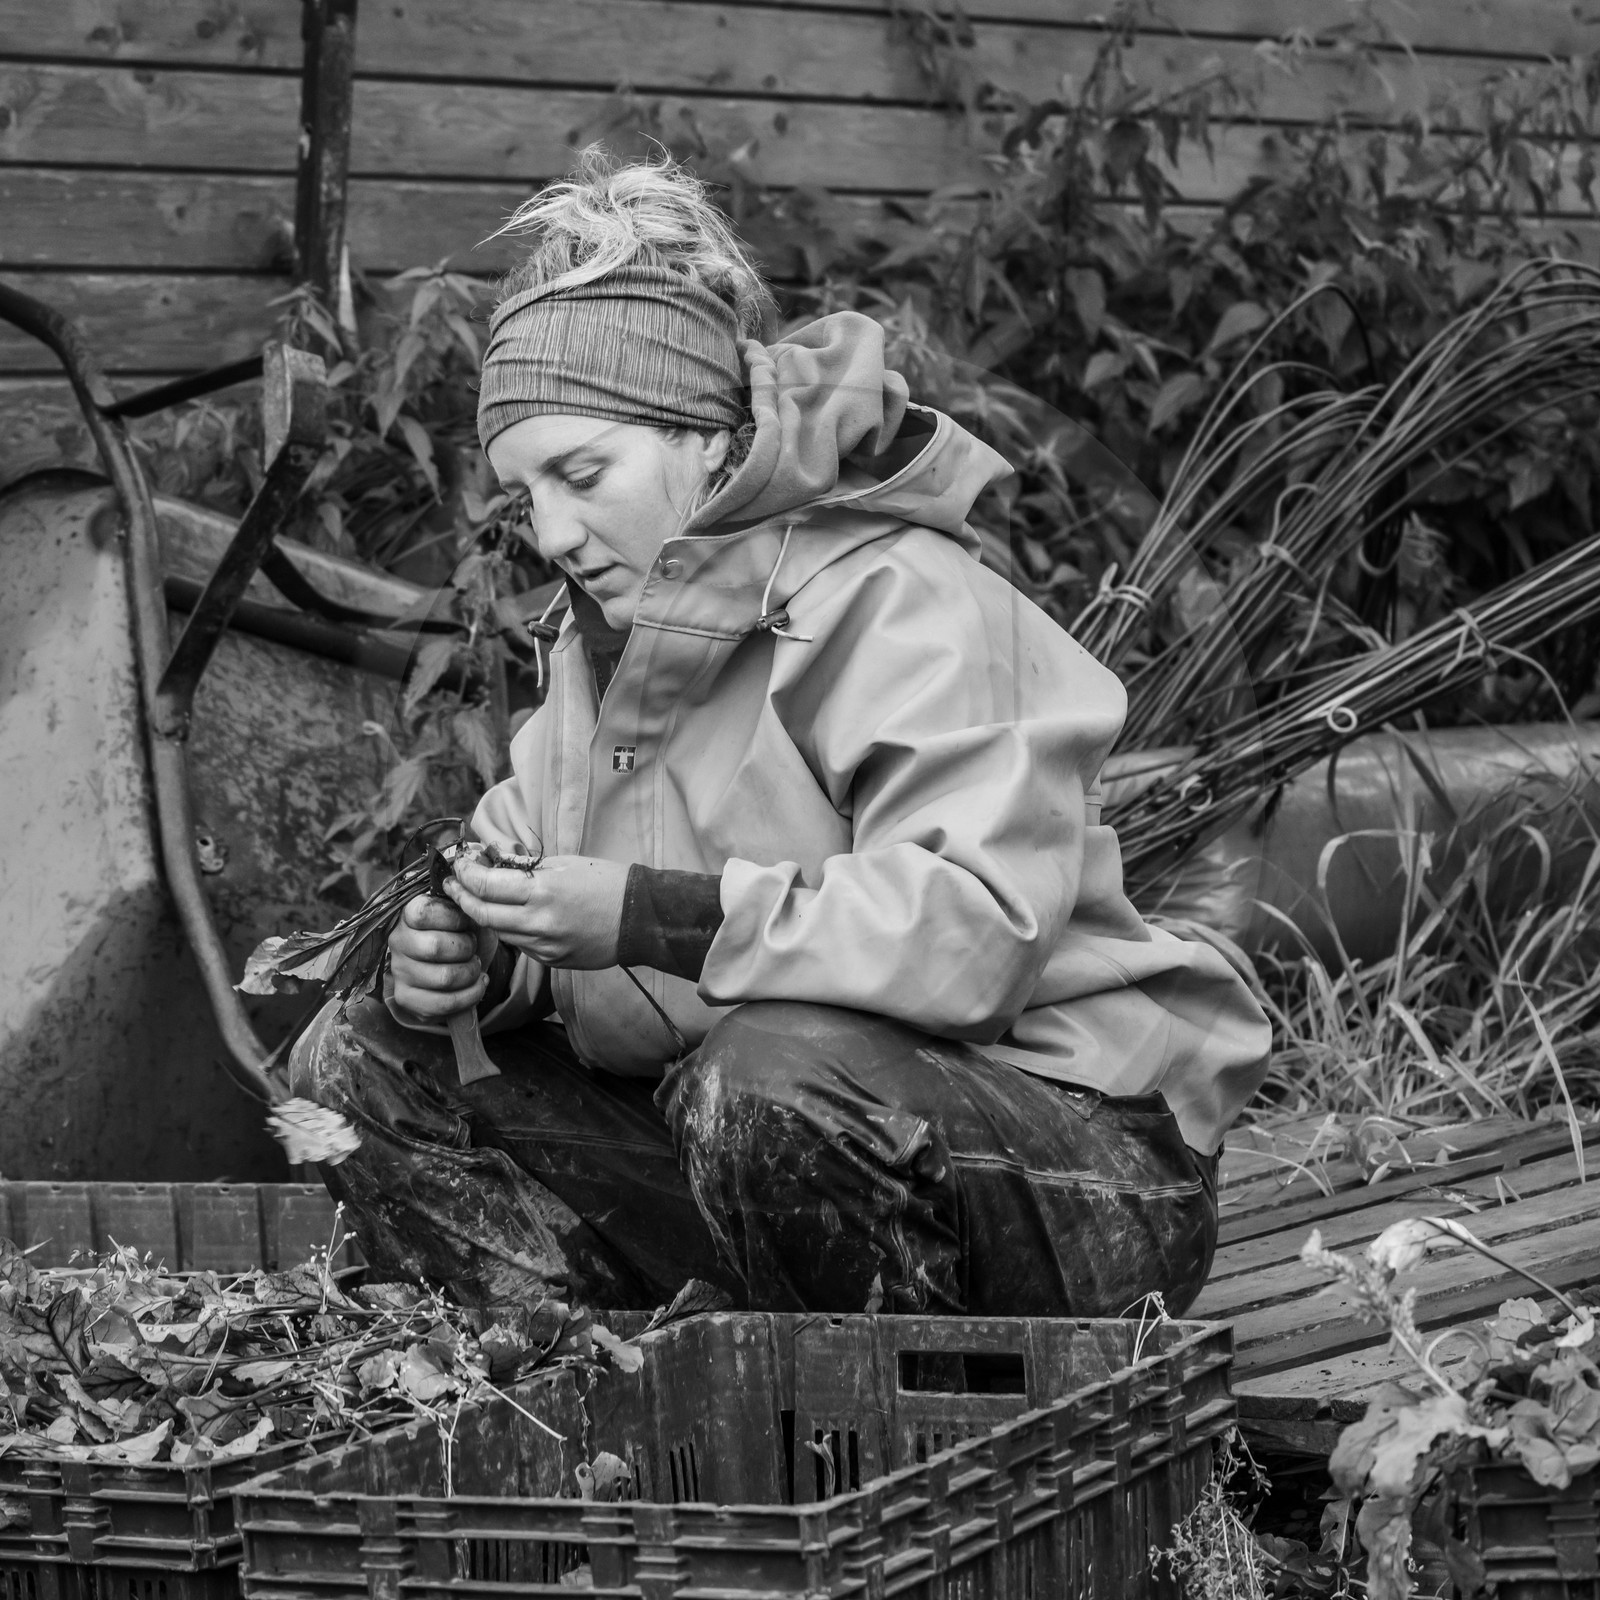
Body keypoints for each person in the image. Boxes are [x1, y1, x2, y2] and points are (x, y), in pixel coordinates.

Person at [292, 150, 1272, 1325]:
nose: (552, 532)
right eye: (526, 495)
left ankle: (886, 1411)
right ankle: (617, 1380)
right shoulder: (598, 645)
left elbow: (971, 937)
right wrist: (475, 960)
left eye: (582, 473)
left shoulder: (902, 599)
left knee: (763, 1079)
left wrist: (647, 914)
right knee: (358, 1060)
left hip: (1073, 1163)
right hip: (765, 1150)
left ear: (708, 436)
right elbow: (541, 863)